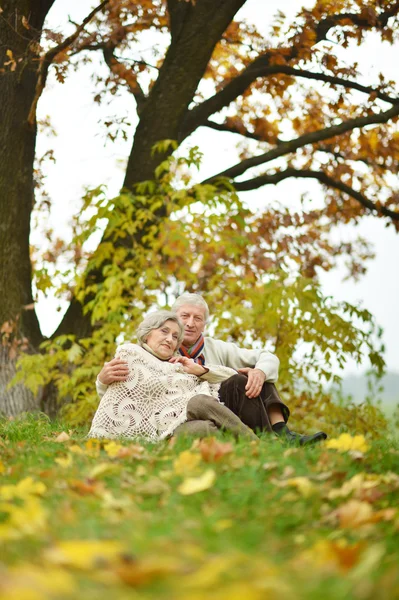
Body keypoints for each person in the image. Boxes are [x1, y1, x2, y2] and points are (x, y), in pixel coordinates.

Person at [170, 293, 327, 446]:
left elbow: (267, 357)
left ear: (204, 324)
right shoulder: (165, 347)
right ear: (173, 319)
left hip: (225, 409)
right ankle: (271, 439)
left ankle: (282, 432)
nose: (190, 323)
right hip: (188, 413)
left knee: (257, 375)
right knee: (238, 380)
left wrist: (260, 372)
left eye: (198, 318)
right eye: (185, 316)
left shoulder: (218, 347)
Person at [90, 310, 259, 441]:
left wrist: (200, 370)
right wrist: (101, 382)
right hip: (155, 435)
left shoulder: (177, 366)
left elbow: (229, 375)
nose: (170, 339)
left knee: (203, 412)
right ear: (147, 334)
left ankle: (252, 445)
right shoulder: (131, 354)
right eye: (164, 331)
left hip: (177, 425)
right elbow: (116, 396)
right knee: (203, 418)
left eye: (175, 336)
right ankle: (252, 445)